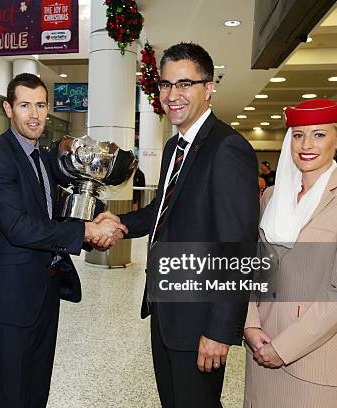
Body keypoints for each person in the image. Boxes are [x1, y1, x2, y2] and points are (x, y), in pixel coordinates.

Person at [95, 42, 259, 407]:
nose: (173, 95)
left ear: (209, 87)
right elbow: (163, 210)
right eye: (166, 85)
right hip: (167, 309)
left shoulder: (227, 149)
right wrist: (120, 222)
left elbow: (238, 247)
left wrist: (219, 331)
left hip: (200, 319)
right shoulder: (176, 147)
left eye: (184, 84)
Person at [0, 73, 126, 408]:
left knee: (37, 386)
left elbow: (52, 219)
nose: (34, 114)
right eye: (24, 105)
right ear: (8, 108)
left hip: (46, 290)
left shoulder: (43, 159)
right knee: (9, 392)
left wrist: (92, 232)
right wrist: (84, 232)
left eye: (40, 105)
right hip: (13, 296)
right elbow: (18, 227)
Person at [243, 99, 337, 407]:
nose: (307, 145)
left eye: (319, 135)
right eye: (298, 135)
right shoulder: (272, 196)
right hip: (260, 351)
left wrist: (284, 347)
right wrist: (250, 324)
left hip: (315, 363)